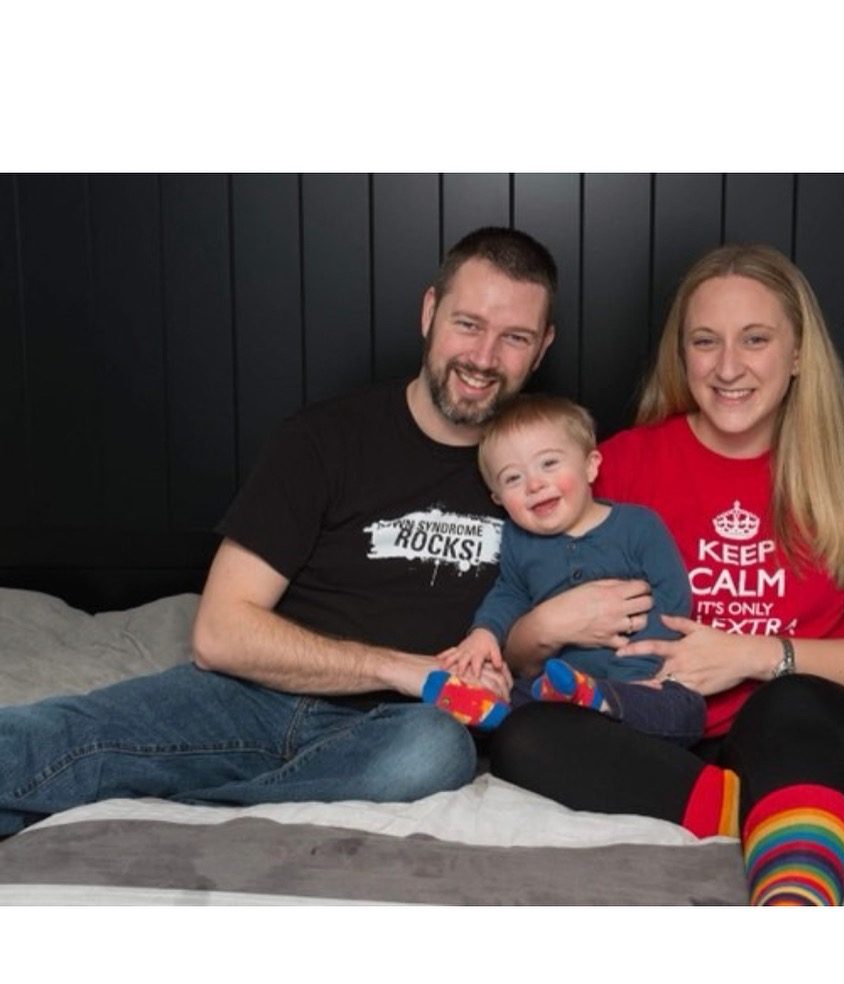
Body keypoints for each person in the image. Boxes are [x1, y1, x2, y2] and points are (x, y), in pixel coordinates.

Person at [486, 243, 844, 906]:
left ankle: (792, 902)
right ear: (682, 354)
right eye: (705, 341)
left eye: (755, 339)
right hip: (668, 736)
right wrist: (544, 626)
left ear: (798, 353)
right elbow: (523, 648)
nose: (728, 367)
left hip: (815, 729)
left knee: (786, 702)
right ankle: (821, 820)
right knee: (523, 735)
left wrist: (753, 655)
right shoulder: (620, 463)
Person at [0, 226, 556, 837]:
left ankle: (189, 810)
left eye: (515, 338)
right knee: (49, 740)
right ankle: (213, 796)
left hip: (395, 728)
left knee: (439, 751)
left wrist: (495, 670)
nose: (483, 358)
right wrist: (404, 668)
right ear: (430, 312)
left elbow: (541, 633)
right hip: (254, 695)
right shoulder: (323, 439)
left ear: (542, 348)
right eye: (468, 324)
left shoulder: (548, 479)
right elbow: (219, 633)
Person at [420, 393, 705, 744]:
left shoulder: (639, 526)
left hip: (639, 678)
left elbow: (673, 597)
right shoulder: (518, 540)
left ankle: (598, 698)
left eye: (549, 463)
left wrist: (634, 671)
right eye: (513, 479)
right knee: (519, 694)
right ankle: (484, 706)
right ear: (497, 498)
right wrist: (484, 634)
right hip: (556, 687)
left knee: (686, 708)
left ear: (590, 466)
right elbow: (509, 594)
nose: (534, 484)